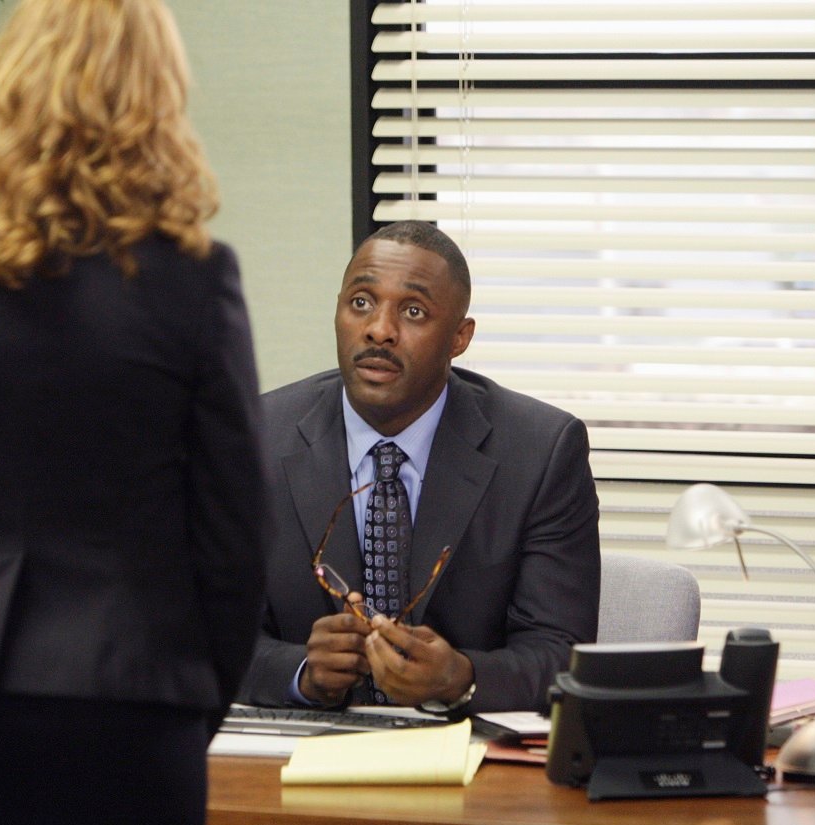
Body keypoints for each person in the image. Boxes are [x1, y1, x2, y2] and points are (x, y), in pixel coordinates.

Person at [0, 1, 267, 825]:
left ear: (7, 79)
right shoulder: (195, 278)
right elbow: (234, 538)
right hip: (134, 710)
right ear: (157, 96)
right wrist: (190, 700)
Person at [238, 220, 600, 715]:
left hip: (466, 750)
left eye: (413, 311)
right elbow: (195, 635)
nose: (379, 329)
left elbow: (562, 653)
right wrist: (300, 672)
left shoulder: (540, 452)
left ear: (459, 337)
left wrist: (461, 678)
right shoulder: (256, 437)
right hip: (297, 748)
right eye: (361, 302)